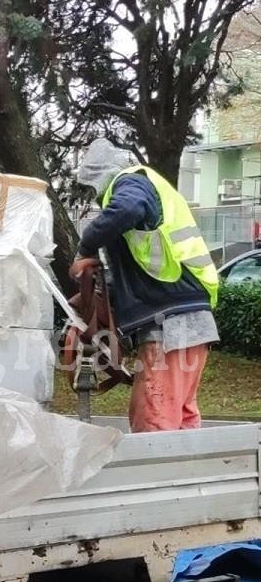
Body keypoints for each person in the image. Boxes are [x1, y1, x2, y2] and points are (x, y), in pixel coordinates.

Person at [71, 138, 220, 432]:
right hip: (187, 317)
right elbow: (142, 271)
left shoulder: (130, 183)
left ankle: (160, 476)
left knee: (155, 417)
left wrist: (86, 248)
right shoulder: (146, 192)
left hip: (172, 323)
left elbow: (127, 209)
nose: (97, 197)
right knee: (180, 417)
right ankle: (186, 475)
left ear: (100, 177)